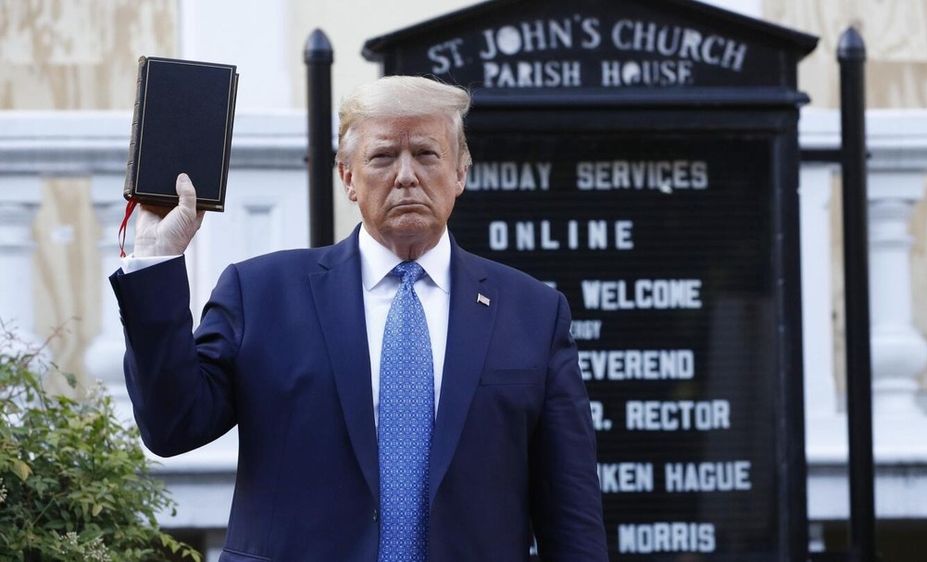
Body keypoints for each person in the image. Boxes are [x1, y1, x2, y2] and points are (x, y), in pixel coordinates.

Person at [110, 75, 607, 562]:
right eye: (383, 156)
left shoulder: (532, 313)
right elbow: (171, 425)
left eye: (427, 154)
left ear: (460, 173)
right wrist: (157, 258)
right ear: (348, 176)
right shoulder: (262, 294)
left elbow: (572, 515)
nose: (407, 175)